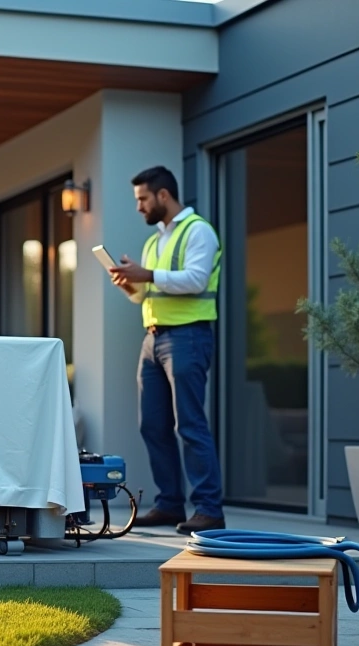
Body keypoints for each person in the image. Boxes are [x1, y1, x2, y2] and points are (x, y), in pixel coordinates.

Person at [108, 165, 225, 534]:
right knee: (153, 425)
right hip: (153, 339)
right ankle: (171, 504)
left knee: (190, 423)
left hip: (188, 337)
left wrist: (148, 275)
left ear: (163, 195)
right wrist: (130, 283)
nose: (139, 207)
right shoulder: (154, 241)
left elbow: (196, 279)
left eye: (143, 199)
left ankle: (209, 509)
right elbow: (145, 293)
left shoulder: (199, 231)